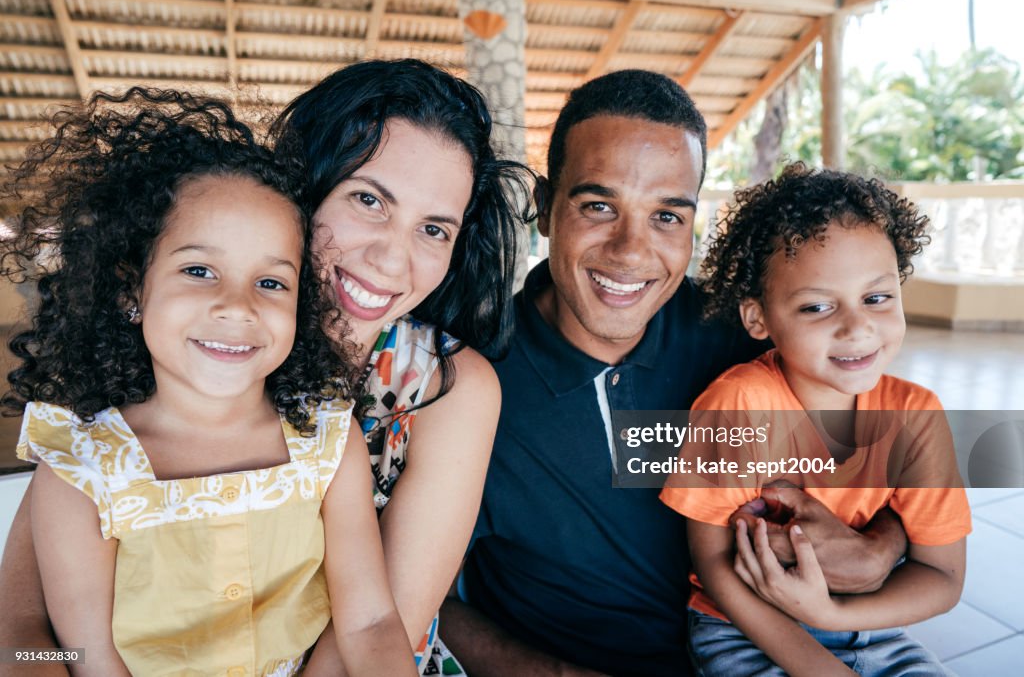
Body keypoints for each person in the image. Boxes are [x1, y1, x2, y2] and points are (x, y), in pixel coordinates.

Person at [0, 59, 531, 676]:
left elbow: (382, 623)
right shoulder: (115, 369)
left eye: (434, 228)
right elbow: (27, 632)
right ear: (301, 189)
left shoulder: (434, 393)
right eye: (367, 199)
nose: (393, 258)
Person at [440, 71, 910, 677]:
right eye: (598, 206)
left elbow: (917, 451)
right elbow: (430, 603)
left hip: (774, 652)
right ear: (544, 208)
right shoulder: (465, 381)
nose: (632, 251)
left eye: (667, 216)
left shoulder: (742, 335)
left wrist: (881, 549)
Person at [660, 163, 970, 676]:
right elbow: (714, 566)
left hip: (876, 629)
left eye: (876, 298)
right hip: (746, 631)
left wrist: (831, 612)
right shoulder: (738, 404)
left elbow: (943, 577)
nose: (857, 327)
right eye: (818, 307)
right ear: (757, 317)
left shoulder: (915, 417)